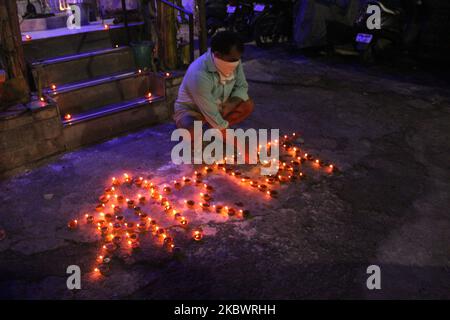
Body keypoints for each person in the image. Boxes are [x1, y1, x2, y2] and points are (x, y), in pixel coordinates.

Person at [173, 31, 254, 140]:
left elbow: (242, 86)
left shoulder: (234, 61)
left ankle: (216, 129)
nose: (237, 63)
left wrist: (231, 103)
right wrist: (239, 143)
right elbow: (210, 111)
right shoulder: (199, 73)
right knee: (192, 132)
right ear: (217, 55)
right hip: (194, 110)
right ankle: (215, 129)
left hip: (220, 106)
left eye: (238, 59)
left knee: (247, 105)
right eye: (233, 60)